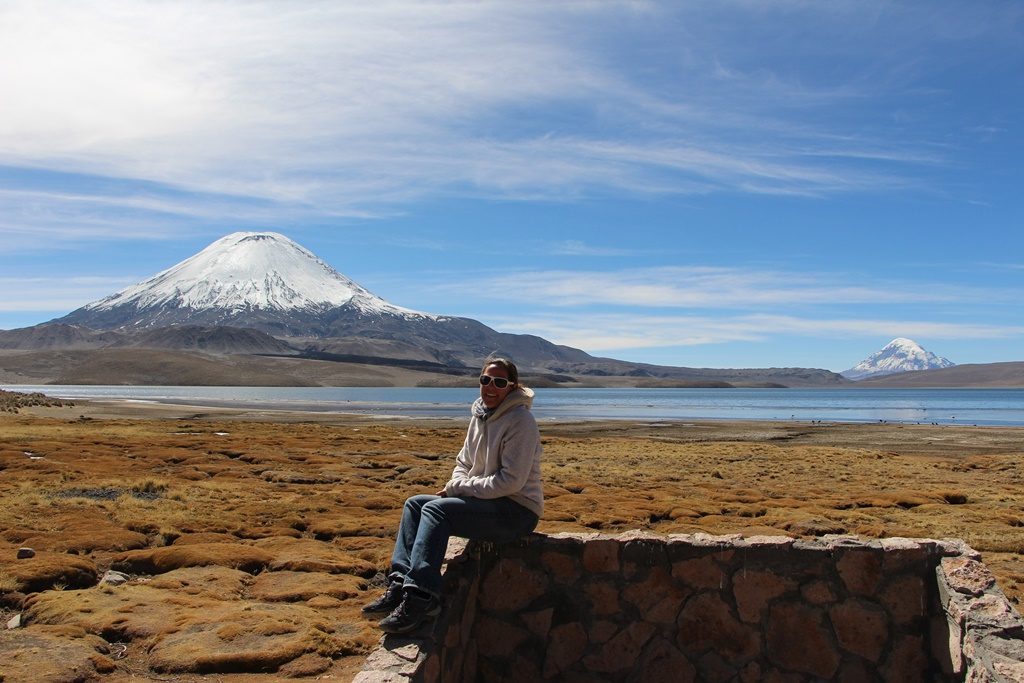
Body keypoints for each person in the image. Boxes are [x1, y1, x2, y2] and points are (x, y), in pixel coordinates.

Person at [362, 357, 543, 634]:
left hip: (517, 511)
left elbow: (511, 482)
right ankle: (399, 585)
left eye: (499, 382)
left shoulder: (521, 421)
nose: (490, 387)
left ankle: (422, 597)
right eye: (485, 380)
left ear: (512, 386)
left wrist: (458, 489)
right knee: (415, 504)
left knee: (437, 510)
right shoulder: (480, 415)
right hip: (486, 502)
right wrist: (458, 482)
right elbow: (463, 463)